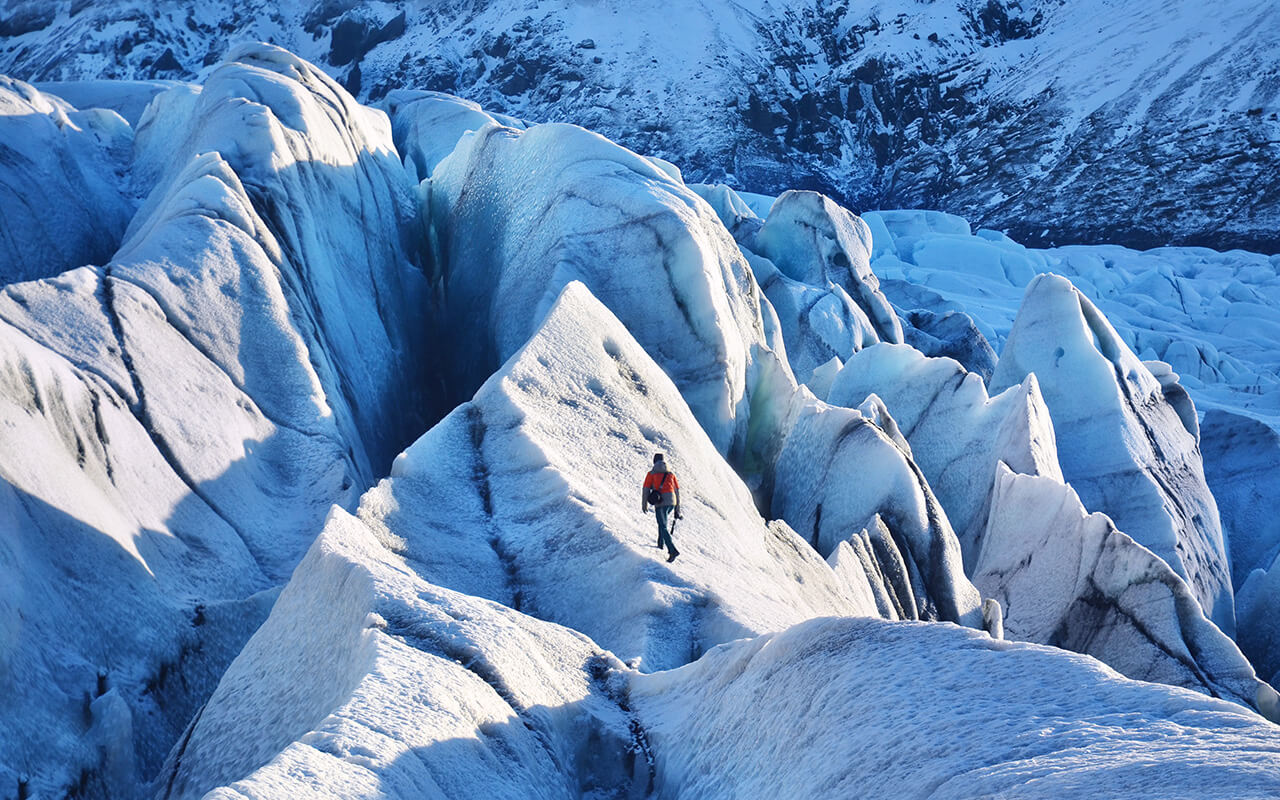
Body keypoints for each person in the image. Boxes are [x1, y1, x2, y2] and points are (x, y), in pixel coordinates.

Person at [641, 453, 681, 562]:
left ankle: (672, 550)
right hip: (672, 502)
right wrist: (677, 509)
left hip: (661, 502)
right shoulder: (671, 474)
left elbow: (646, 489)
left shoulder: (651, 473)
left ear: (654, 461)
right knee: (662, 523)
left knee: (662, 525)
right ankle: (660, 544)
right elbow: (677, 491)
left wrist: (644, 504)